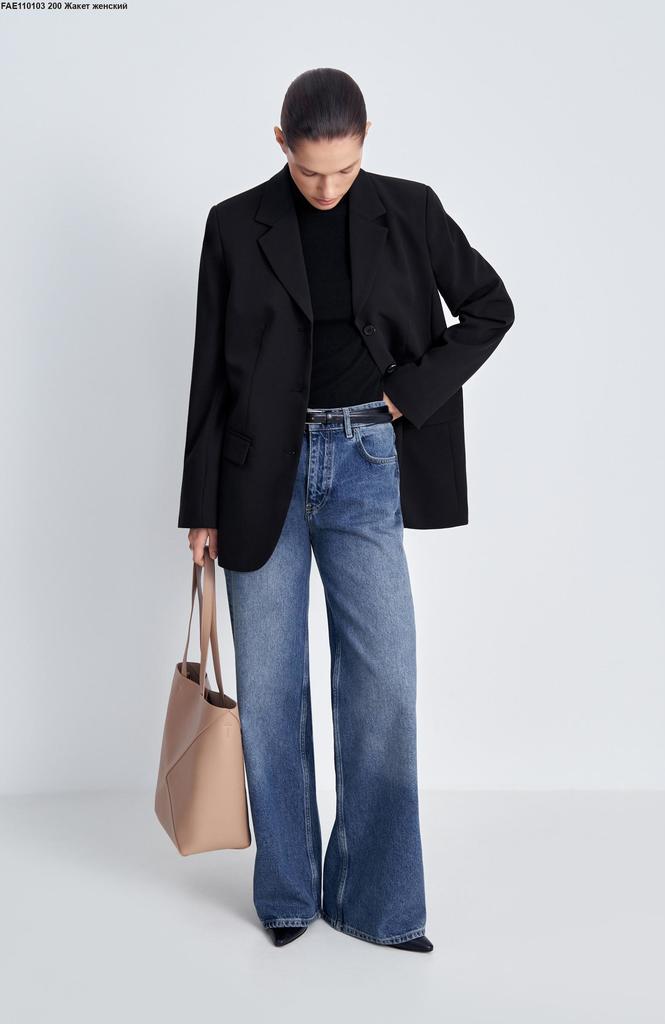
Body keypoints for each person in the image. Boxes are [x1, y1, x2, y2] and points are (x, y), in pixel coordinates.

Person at [178, 67, 515, 951]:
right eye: (310, 170)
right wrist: (202, 506)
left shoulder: (410, 208)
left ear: (366, 141)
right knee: (271, 687)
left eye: (345, 169)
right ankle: (289, 893)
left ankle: (378, 902)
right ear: (280, 143)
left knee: (383, 683)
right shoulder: (233, 225)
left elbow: (491, 307)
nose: (328, 189)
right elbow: (210, 370)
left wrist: (409, 393)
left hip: (368, 460)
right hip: (260, 473)